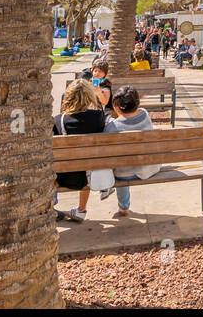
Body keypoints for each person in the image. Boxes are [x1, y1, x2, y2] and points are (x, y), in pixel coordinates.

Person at [52, 79, 108, 222]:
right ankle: (81, 210)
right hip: (88, 178)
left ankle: (50, 207)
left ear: (68, 97)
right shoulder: (97, 118)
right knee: (87, 164)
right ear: (90, 97)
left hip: (61, 177)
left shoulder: (58, 120)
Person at [104, 85, 158, 217]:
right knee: (125, 163)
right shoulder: (144, 114)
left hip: (125, 174)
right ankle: (124, 207)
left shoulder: (112, 127)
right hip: (149, 168)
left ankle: (124, 207)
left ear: (116, 106)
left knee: (121, 167)